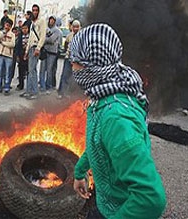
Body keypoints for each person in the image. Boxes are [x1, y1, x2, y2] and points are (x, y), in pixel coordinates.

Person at [71, 23, 166, 218]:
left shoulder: (116, 118)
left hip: (119, 211)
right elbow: (98, 144)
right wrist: (80, 172)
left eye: (76, 61)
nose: (72, 67)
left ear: (92, 66)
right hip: (107, 204)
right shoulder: (105, 95)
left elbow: (151, 198)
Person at [20, 4, 46, 100]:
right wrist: (26, 51)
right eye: (33, 10)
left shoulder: (42, 21)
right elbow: (30, 37)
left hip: (36, 47)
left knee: (32, 70)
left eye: (36, 10)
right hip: (30, 47)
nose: (35, 12)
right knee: (29, 70)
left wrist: (38, 48)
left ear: (39, 11)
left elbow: (43, 36)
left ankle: (34, 92)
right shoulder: (32, 22)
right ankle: (28, 91)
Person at [0, 19, 15, 95]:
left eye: (8, 25)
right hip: (1, 54)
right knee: (0, 71)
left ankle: (7, 87)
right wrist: (3, 34)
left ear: (10, 26)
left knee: (7, 72)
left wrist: (3, 43)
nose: (7, 26)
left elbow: (12, 44)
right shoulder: (1, 32)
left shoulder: (12, 35)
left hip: (8, 55)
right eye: (6, 25)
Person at [57, 20, 81, 99]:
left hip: (77, 61)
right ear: (71, 27)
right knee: (65, 76)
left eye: (77, 27)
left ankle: (71, 94)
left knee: (74, 78)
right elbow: (66, 45)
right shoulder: (69, 36)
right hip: (68, 59)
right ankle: (62, 92)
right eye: (74, 27)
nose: (75, 28)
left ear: (80, 27)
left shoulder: (82, 37)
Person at [38, 15, 61, 94]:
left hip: (52, 53)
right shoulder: (45, 29)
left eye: (53, 20)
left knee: (49, 70)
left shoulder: (57, 31)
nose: (51, 21)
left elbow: (51, 40)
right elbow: (41, 37)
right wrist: (44, 39)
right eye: (50, 20)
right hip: (44, 51)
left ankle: (48, 85)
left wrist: (44, 39)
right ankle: (42, 85)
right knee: (42, 69)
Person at [16, 24, 29, 90]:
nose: (24, 30)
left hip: (29, 55)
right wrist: (17, 56)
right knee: (21, 71)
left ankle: (29, 86)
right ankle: (21, 85)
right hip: (21, 55)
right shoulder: (20, 37)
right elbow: (17, 47)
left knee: (29, 71)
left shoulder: (30, 36)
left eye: (26, 28)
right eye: (23, 28)